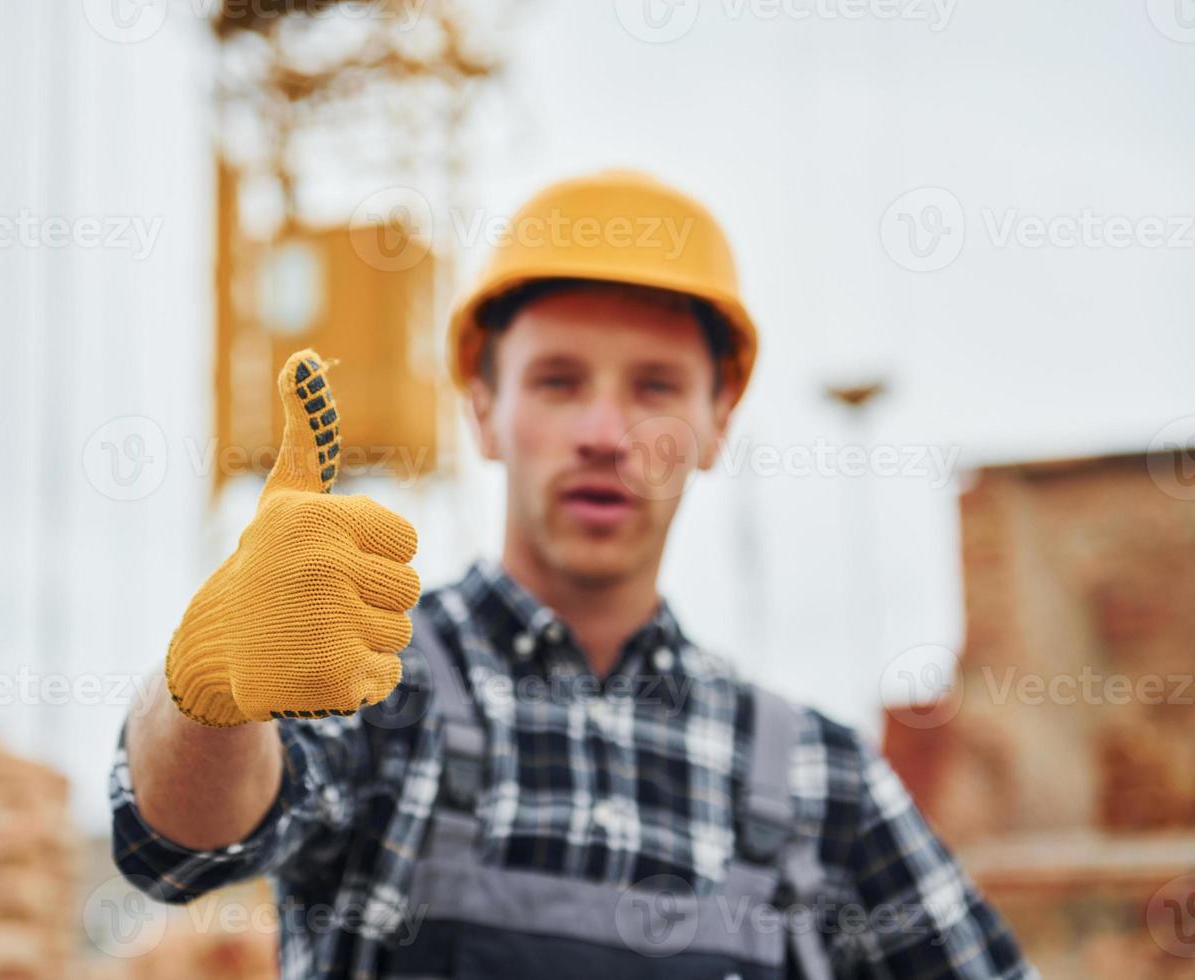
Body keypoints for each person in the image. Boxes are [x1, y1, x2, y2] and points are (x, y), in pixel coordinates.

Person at [111, 171, 1035, 978]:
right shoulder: (375, 684)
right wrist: (208, 695)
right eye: (557, 380)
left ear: (718, 422)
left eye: (656, 387)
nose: (605, 432)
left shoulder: (812, 775)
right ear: (482, 409)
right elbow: (180, 845)